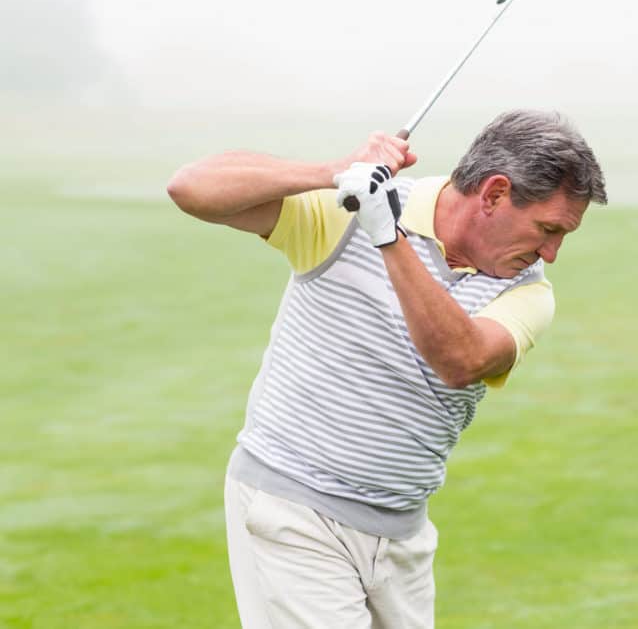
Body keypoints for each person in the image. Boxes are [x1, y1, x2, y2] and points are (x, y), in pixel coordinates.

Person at [167, 109, 606, 628]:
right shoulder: (351, 210)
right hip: (291, 507)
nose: (552, 253)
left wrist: (387, 238)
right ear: (493, 194)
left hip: (401, 537)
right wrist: (334, 171)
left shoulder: (527, 291)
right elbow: (190, 188)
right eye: (548, 228)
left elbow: (459, 361)